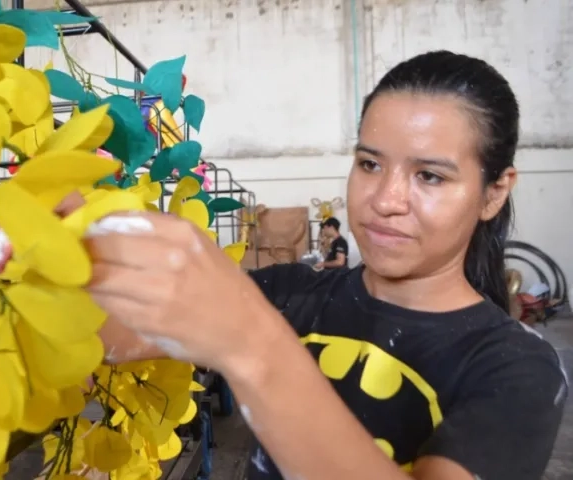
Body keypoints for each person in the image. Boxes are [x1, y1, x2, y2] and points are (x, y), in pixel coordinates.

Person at [82, 50, 569, 480]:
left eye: (429, 176)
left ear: (494, 192)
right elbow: (117, 335)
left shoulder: (517, 368)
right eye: (370, 164)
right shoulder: (293, 291)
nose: (385, 200)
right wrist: (59, 267)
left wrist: (253, 343)